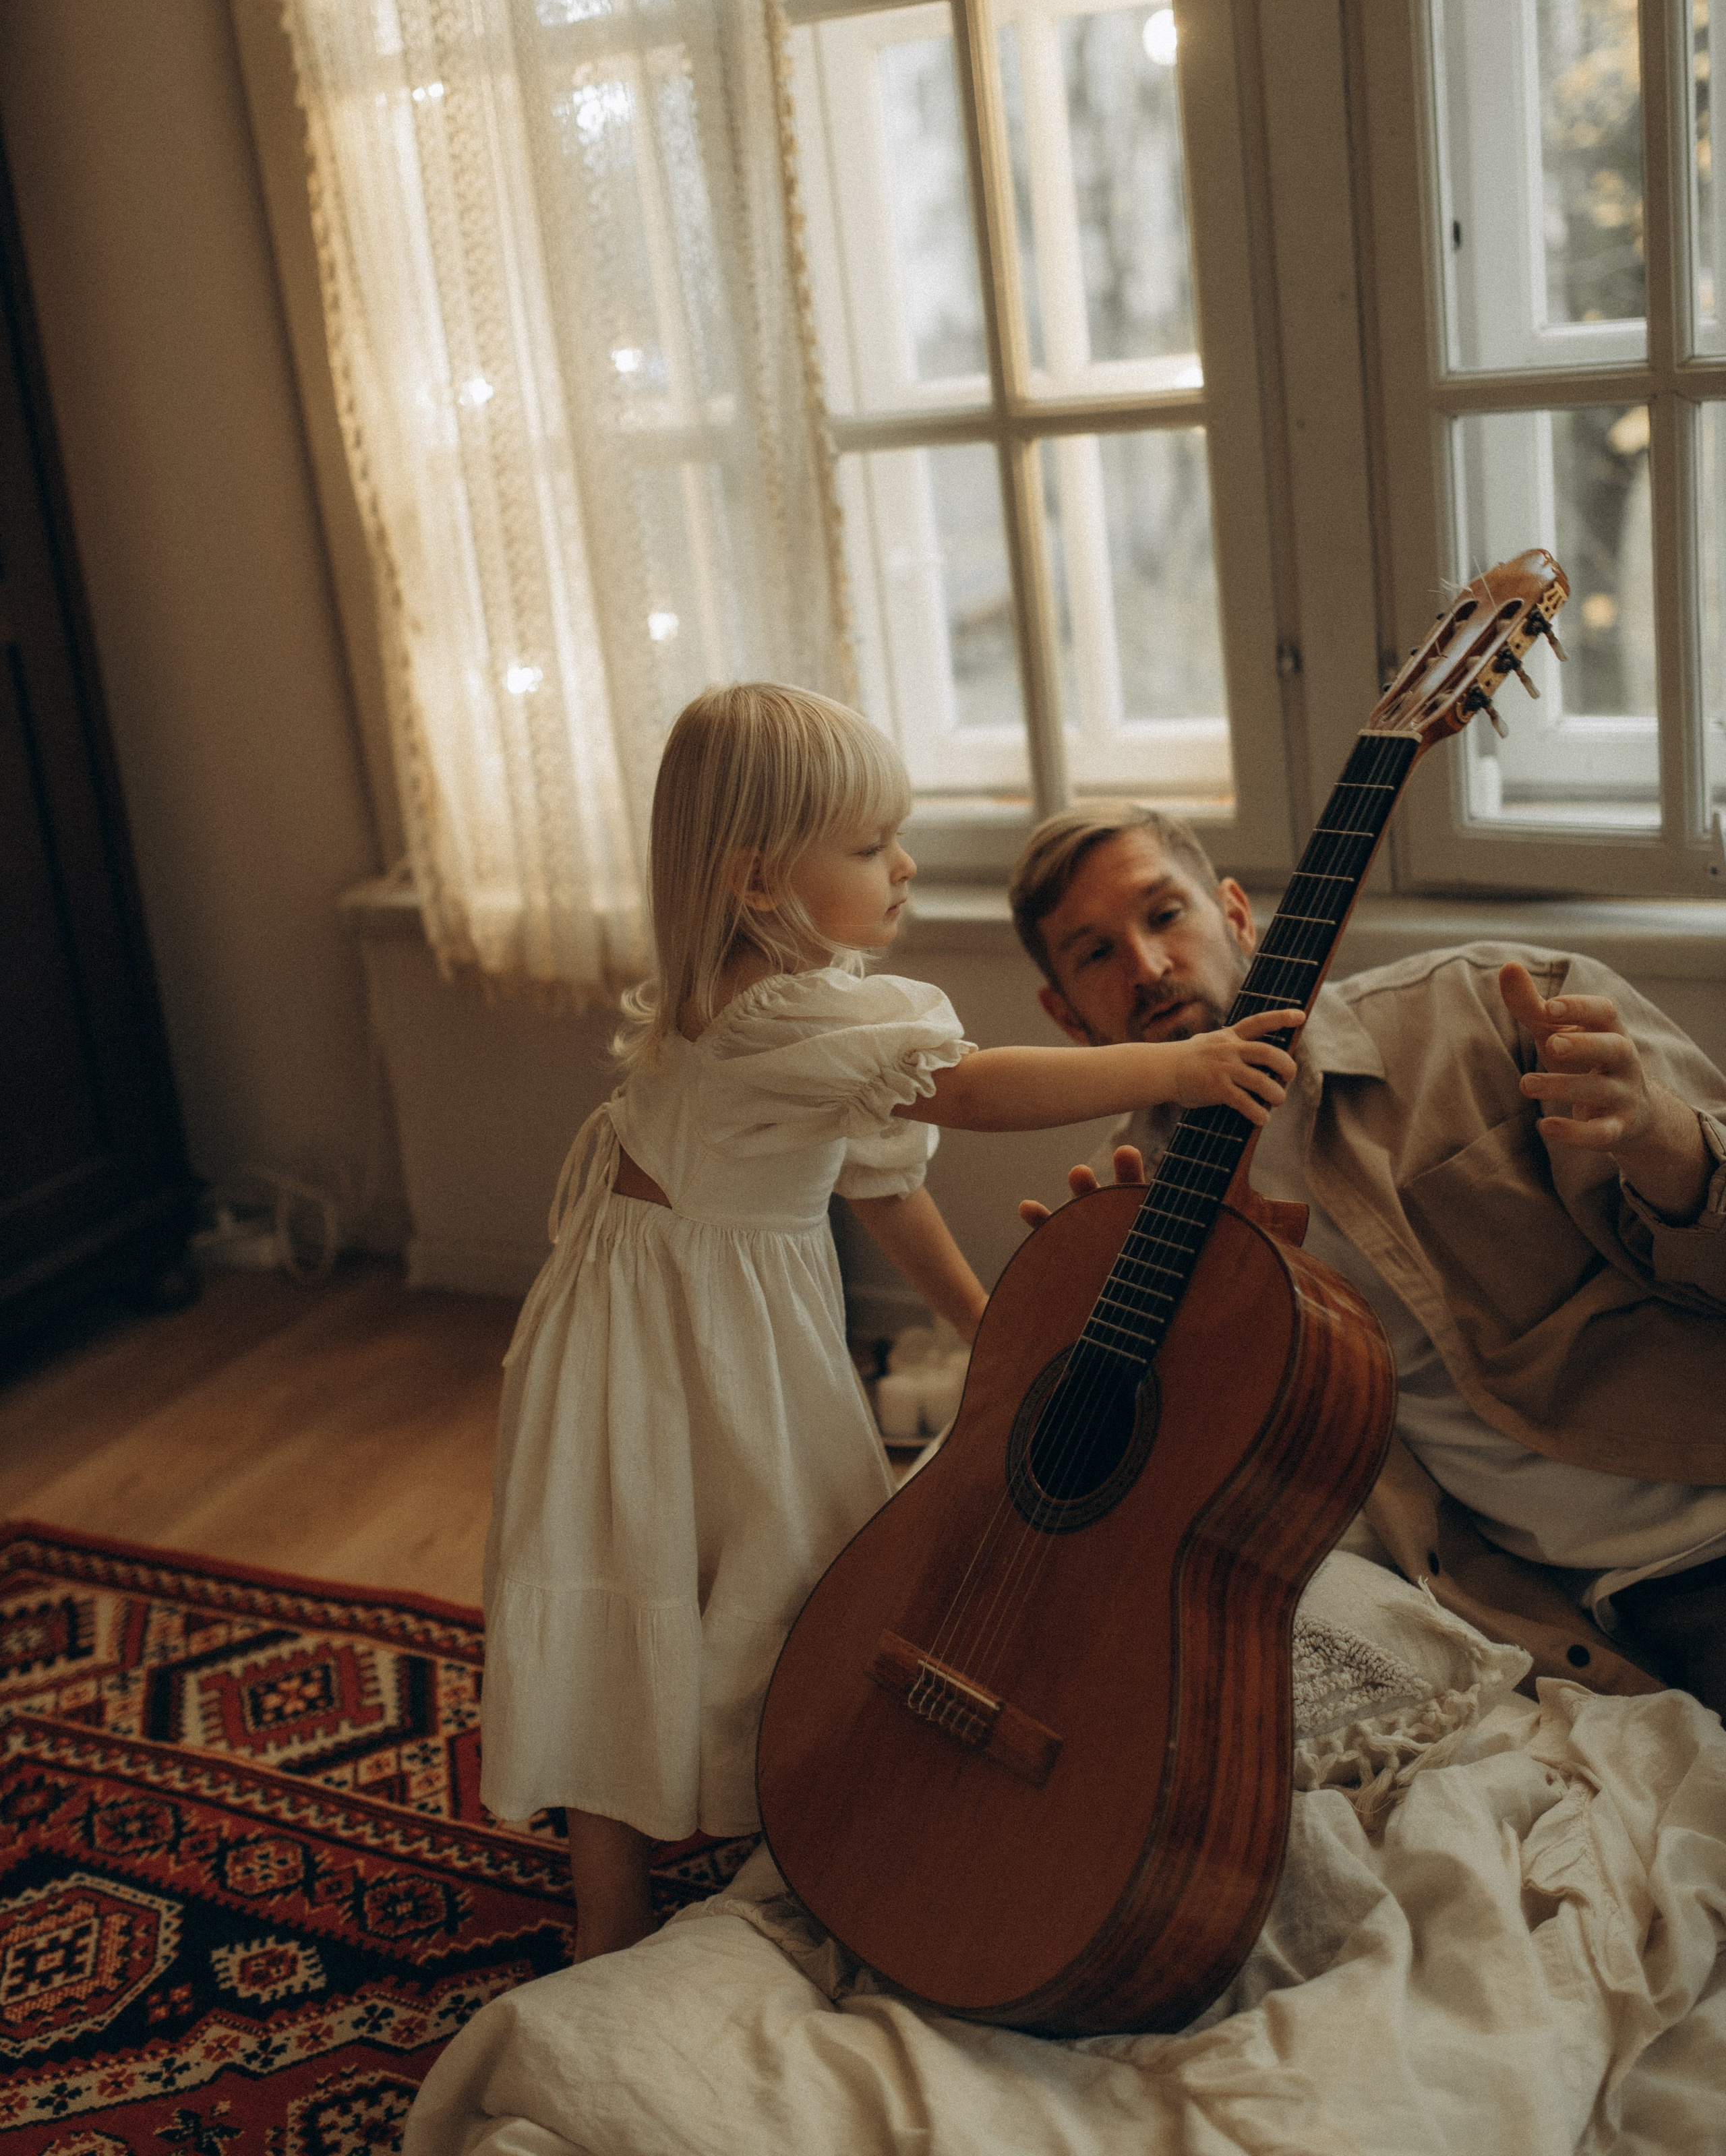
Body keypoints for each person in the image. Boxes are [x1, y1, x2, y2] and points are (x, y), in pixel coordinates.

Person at [481, 692, 1305, 1961]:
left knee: (656, 1579)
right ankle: (694, 1873)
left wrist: (988, 1329)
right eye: (870, 848)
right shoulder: (784, 1019)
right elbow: (966, 1091)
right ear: (761, 877)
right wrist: (1176, 1069)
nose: (903, 867)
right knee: (758, 1571)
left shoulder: (776, 1004)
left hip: (639, 1338)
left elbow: (881, 1177)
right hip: (683, 1361)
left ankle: (672, 1866)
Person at [1008, 800, 1726, 1714]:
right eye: (1096, 953)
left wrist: (1662, 1138)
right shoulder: (1128, 1216)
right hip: (1539, 1619)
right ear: (1062, 1014)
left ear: (1235, 914)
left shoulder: (1486, 1009)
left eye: (1164, 915)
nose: (1148, 967)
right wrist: (1098, 1373)